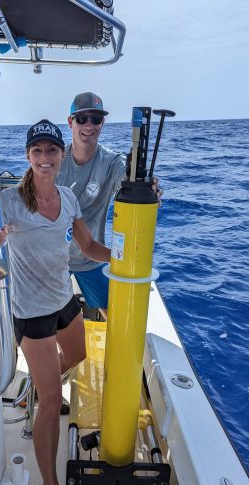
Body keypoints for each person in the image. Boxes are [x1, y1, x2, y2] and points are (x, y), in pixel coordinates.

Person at [0, 119, 110, 485]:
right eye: (37, 151)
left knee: (78, 353)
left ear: (62, 155)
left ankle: (39, 382)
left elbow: (90, 247)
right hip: (31, 314)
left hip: (64, 299)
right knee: (50, 402)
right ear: (28, 157)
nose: (45, 157)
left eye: (51, 150)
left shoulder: (69, 198)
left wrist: (126, 259)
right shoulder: (10, 201)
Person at [56, 92, 162, 320]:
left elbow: (126, 182)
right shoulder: (55, 160)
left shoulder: (112, 162)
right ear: (70, 122)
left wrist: (145, 190)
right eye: (82, 118)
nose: (89, 125)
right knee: (49, 319)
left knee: (117, 317)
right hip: (53, 260)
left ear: (102, 123)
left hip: (91, 257)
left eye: (95, 119)